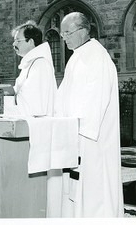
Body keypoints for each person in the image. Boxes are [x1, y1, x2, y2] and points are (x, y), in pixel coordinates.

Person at [50, 12, 124, 217]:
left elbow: (94, 103)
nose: (63, 37)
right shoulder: (78, 57)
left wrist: (75, 127)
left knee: (94, 196)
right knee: (78, 195)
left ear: (82, 31)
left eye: (67, 32)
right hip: (77, 136)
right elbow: (63, 96)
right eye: (61, 32)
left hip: (92, 141)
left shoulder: (97, 58)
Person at [11, 20, 57, 116]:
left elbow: (33, 102)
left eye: (18, 41)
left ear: (31, 42)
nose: (14, 44)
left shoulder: (40, 64)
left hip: (37, 124)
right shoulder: (30, 63)